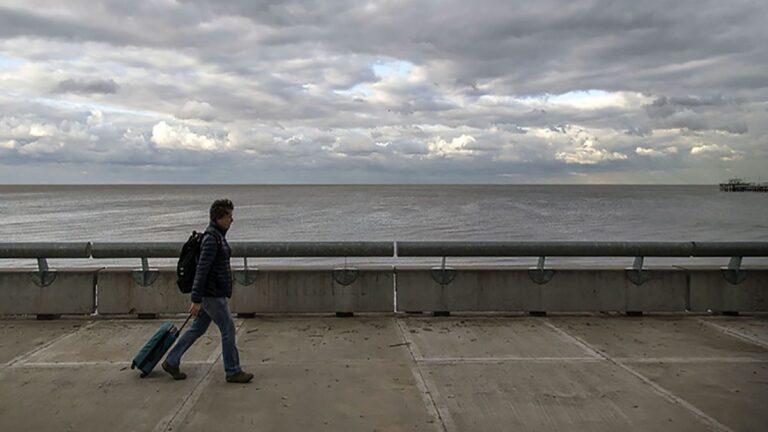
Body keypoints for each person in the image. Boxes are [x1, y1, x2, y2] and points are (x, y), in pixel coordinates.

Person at [162, 198, 253, 383]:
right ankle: (233, 370)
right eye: (229, 216)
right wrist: (196, 299)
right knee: (228, 329)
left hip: (211, 293)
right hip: (212, 295)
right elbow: (202, 270)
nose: (232, 220)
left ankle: (172, 360)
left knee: (197, 328)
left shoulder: (217, 236)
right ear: (219, 217)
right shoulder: (212, 239)